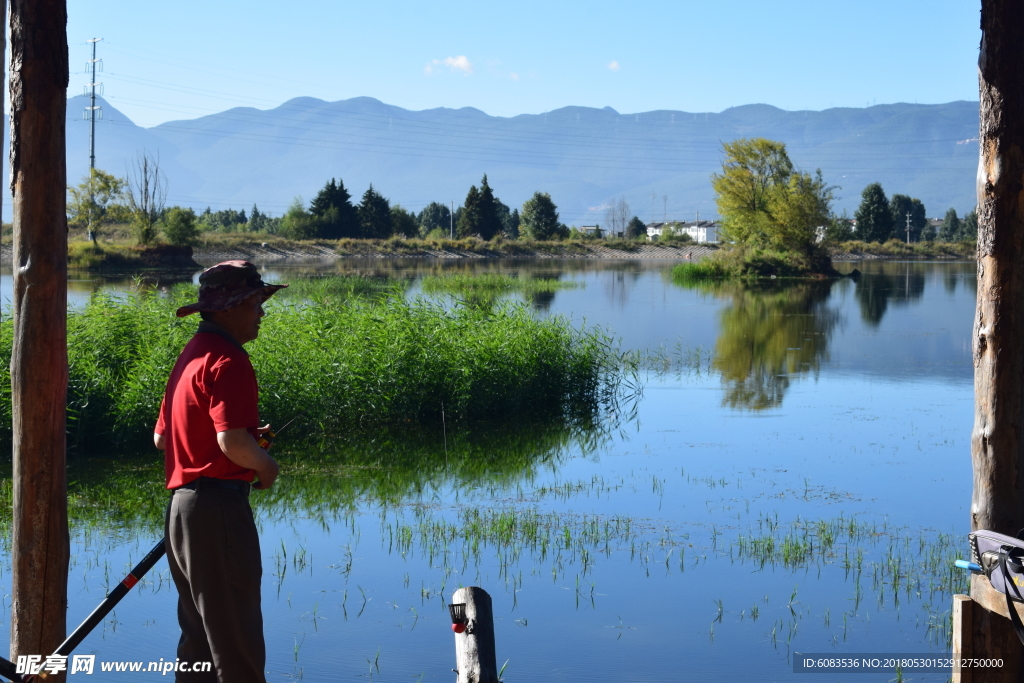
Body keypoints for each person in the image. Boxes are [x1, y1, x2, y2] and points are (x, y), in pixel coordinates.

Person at [153, 260, 286, 682]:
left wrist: (242, 440)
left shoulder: (190, 355)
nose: (261, 311)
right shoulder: (229, 360)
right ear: (228, 308)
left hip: (182, 512)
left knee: (199, 644)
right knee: (237, 644)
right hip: (218, 512)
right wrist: (265, 465)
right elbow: (232, 443)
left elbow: (163, 439)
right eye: (254, 302)